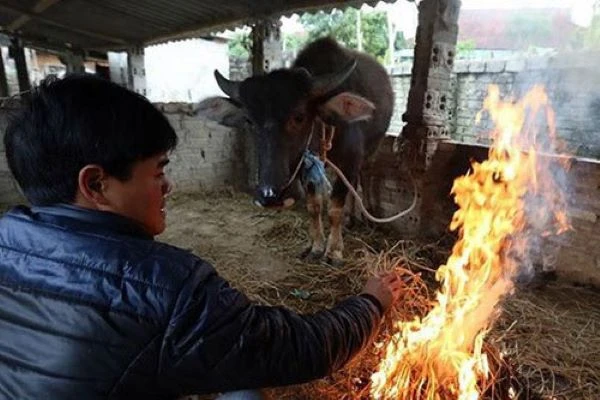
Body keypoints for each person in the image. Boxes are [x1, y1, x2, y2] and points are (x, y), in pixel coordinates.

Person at [0, 74, 403, 400]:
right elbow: (304, 348)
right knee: (243, 389)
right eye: (158, 172)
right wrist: (371, 301)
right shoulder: (166, 289)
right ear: (97, 184)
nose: (169, 186)